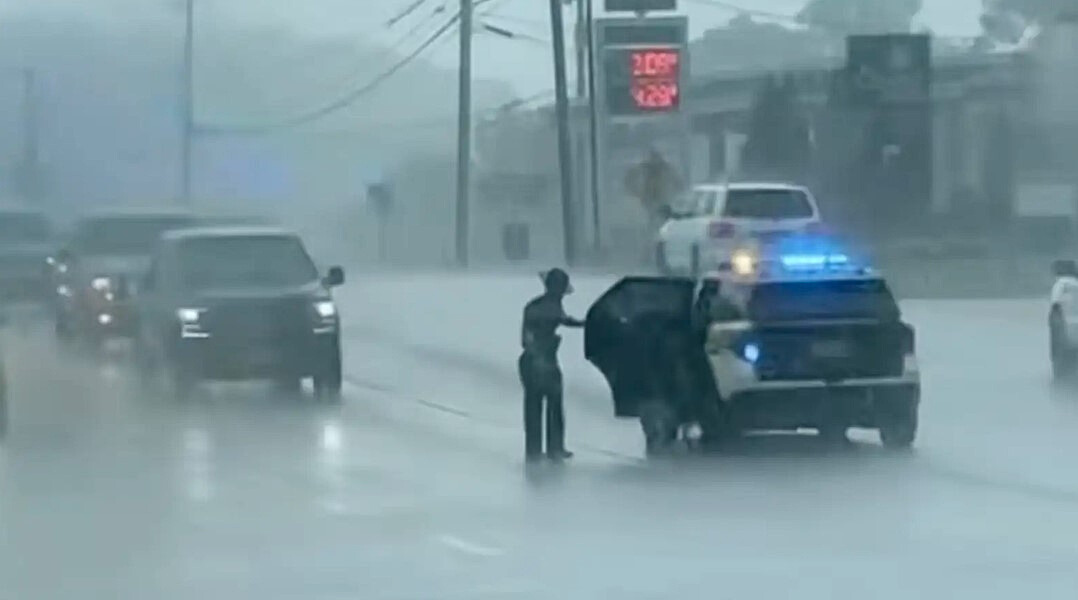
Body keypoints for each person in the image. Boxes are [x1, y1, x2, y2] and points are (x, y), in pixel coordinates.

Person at [519, 268, 584, 462]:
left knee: (536, 406)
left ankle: (535, 450)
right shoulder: (549, 307)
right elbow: (529, 337)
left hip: (537, 361)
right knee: (550, 405)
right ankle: (552, 448)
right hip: (539, 361)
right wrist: (538, 356)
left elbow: (565, 320)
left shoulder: (537, 305)